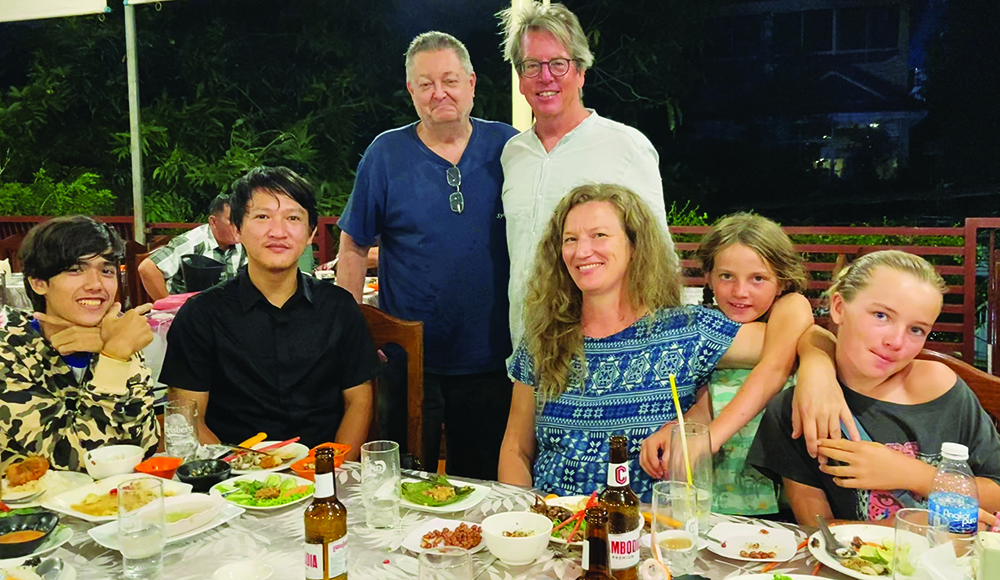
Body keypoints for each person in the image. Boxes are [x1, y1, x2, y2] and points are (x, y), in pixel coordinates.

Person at [497, 184, 764, 502]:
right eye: (571, 239)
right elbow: (516, 448)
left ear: (635, 245)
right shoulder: (544, 338)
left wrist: (816, 370)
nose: (582, 251)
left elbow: (794, 339)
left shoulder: (687, 330)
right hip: (555, 530)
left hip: (647, 537)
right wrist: (523, 520)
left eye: (599, 236)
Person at [336, 32, 518, 478]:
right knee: (402, 478)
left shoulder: (509, 146)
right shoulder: (386, 154)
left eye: (450, 80)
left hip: (494, 355)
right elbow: (353, 245)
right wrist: (353, 330)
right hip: (408, 356)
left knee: (483, 480)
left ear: (472, 83)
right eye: (426, 84)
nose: (440, 93)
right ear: (411, 91)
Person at [748, 250, 1000, 526]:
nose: (896, 341)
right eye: (881, 315)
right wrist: (916, 524)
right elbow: (818, 529)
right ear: (839, 308)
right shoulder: (799, 408)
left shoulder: (941, 388)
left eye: (916, 330)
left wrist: (913, 475)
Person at [160, 167, 379, 459]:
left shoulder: (339, 308)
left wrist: (331, 473)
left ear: (310, 232)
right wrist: (245, 474)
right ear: (237, 229)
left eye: (292, 218)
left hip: (324, 473)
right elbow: (189, 417)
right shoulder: (201, 316)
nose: (278, 231)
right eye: (262, 217)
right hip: (233, 480)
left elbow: (359, 402)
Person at [498, 1, 675, 352]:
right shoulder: (512, 154)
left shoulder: (625, 146)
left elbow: (660, 258)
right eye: (532, 65)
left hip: (602, 352)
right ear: (520, 79)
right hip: (526, 351)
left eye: (558, 64)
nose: (545, 76)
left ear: (580, 72)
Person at [639, 214, 814, 516]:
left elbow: (773, 370)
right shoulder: (705, 327)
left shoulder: (791, 308)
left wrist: (709, 439)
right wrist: (676, 432)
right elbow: (708, 400)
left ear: (782, 280)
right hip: (718, 498)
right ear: (708, 276)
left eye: (758, 278)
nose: (740, 291)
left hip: (778, 501)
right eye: (726, 276)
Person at [0, 216, 158, 471]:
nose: (96, 285)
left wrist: (111, 350)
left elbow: (146, 442)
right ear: (38, 282)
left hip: (118, 501)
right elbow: (76, 460)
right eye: (75, 269)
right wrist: (114, 357)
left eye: (106, 270)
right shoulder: (10, 352)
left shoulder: (115, 335)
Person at [137, 193, 246, 301]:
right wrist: (169, 307)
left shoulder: (244, 243)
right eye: (232, 220)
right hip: (189, 312)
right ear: (213, 222)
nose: (238, 225)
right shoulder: (194, 242)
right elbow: (147, 268)